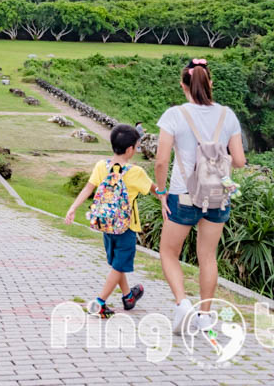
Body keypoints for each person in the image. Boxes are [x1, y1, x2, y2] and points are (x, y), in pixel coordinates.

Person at [154, 58, 246, 334]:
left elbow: (161, 161)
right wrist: (218, 157)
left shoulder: (174, 115)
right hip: (217, 194)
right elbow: (240, 161)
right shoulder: (227, 115)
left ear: (183, 85)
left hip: (183, 195)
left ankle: (183, 304)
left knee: (169, 252)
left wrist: (161, 192)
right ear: (210, 83)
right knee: (208, 255)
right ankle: (205, 316)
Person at [65, 124, 156, 318]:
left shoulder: (101, 166)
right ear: (130, 149)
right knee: (119, 265)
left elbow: (88, 189)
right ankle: (99, 302)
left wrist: (73, 208)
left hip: (106, 224)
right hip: (127, 226)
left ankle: (128, 297)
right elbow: (155, 189)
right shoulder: (135, 172)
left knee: (117, 263)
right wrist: (168, 197)